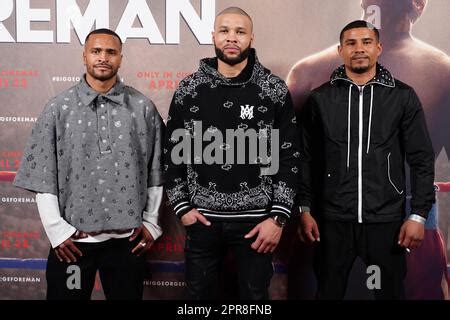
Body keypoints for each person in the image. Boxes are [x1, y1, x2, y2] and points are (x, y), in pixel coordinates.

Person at [287, 0, 449, 299]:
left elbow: (421, 158)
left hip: (404, 220)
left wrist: (416, 215)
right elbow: (292, 161)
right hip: (328, 222)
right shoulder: (309, 74)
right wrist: (303, 211)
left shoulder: (438, 73)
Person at [13, 28, 164, 300]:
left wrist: (152, 222)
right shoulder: (58, 108)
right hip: (73, 243)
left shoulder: (142, 107)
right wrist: (58, 232)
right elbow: (44, 175)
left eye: (110, 52)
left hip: (127, 243)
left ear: (120, 58)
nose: (103, 58)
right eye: (96, 51)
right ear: (84, 56)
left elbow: (156, 170)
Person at [164, 7, 299, 300]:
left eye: (240, 32)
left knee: (254, 299)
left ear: (251, 38)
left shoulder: (273, 90)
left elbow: (289, 157)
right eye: (224, 31)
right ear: (213, 36)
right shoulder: (189, 89)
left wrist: (277, 219)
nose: (232, 38)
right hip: (202, 222)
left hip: (257, 224)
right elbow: (172, 154)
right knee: (197, 300)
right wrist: (182, 208)